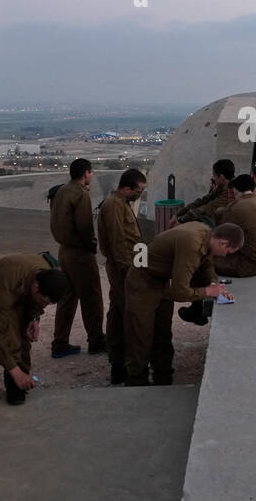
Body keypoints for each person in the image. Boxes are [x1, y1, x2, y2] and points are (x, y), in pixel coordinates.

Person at [122, 221, 244, 386]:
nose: (225, 256)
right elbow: (180, 292)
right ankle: (136, 383)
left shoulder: (207, 235)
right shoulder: (192, 244)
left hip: (162, 280)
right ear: (223, 242)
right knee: (141, 335)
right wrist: (208, 292)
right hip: (143, 281)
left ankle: (163, 380)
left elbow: (207, 264)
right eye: (228, 251)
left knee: (162, 334)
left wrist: (214, 285)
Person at [0, 255, 69, 406]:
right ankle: (15, 381)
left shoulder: (48, 274)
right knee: (11, 333)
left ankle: (23, 378)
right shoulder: (8, 286)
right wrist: (15, 372)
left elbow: (37, 303)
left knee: (24, 333)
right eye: (43, 301)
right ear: (36, 288)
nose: (44, 305)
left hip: (22, 293)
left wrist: (34, 318)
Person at [49, 158, 105, 356]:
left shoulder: (61, 191)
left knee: (67, 299)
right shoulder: (80, 194)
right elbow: (84, 226)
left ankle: (60, 343)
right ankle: (96, 340)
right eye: (91, 172)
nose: (92, 175)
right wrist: (91, 246)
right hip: (79, 253)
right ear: (86, 173)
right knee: (92, 298)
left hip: (63, 251)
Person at [96, 168, 147, 384]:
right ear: (127, 188)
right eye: (139, 190)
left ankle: (120, 363)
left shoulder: (120, 203)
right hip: (123, 268)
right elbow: (117, 240)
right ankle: (123, 364)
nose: (140, 195)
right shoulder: (114, 205)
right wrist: (127, 269)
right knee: (125, 313)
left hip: (127, 265)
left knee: (120, 311)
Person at [213, 174, 256, 277]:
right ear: (253, 189)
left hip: (246, 265)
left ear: (235, 190)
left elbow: (220, 238)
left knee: (203, 258)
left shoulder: (235, 208)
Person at [175, 159, 236, 225]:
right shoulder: (223, 185)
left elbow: (205, 209)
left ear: (221, 177)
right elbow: (204, 200)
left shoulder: (230, 192)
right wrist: (178, 214)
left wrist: (180, 221)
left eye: (214, 176)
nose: (213, 178)